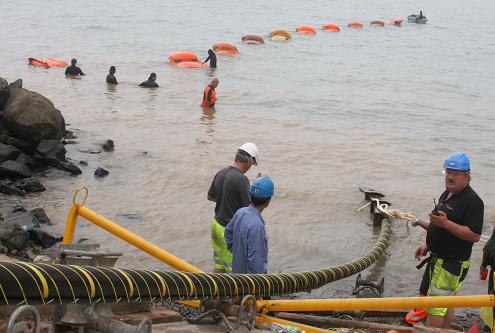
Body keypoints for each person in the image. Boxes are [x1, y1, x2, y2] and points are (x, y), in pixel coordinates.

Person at [414, 152, 484, 328]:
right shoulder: (448, 193)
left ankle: (433, 331)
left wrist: (446, 224)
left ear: (466, 176)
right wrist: (428, 245)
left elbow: (474, 235)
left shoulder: (473, 201)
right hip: (440, 259)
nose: (450, 177)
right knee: (447, 301)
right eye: (448, 172)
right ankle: (445, 330)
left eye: (455, 173)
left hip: (450, 264)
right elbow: (440, 225)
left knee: (435, 307)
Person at [207, 142, 259, 273]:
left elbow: (211, 197)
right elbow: (250, 208)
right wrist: (256, 188)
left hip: (216, 225)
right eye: (252, 164)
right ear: (249, 161)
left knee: (219, 266)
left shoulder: (221, 172)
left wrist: (226, 198)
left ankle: (214, 292)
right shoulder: (241, 180)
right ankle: (232, 294)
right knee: (233, 272)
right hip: (229, 231)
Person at [225, 176, 274, 274]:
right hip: (249, 285)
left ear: (250, 195)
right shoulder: (257, 226)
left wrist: (238, 253)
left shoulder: (240, 212)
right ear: (268, 201)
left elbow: (228, 233)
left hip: (237, 274)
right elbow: (256, 263)